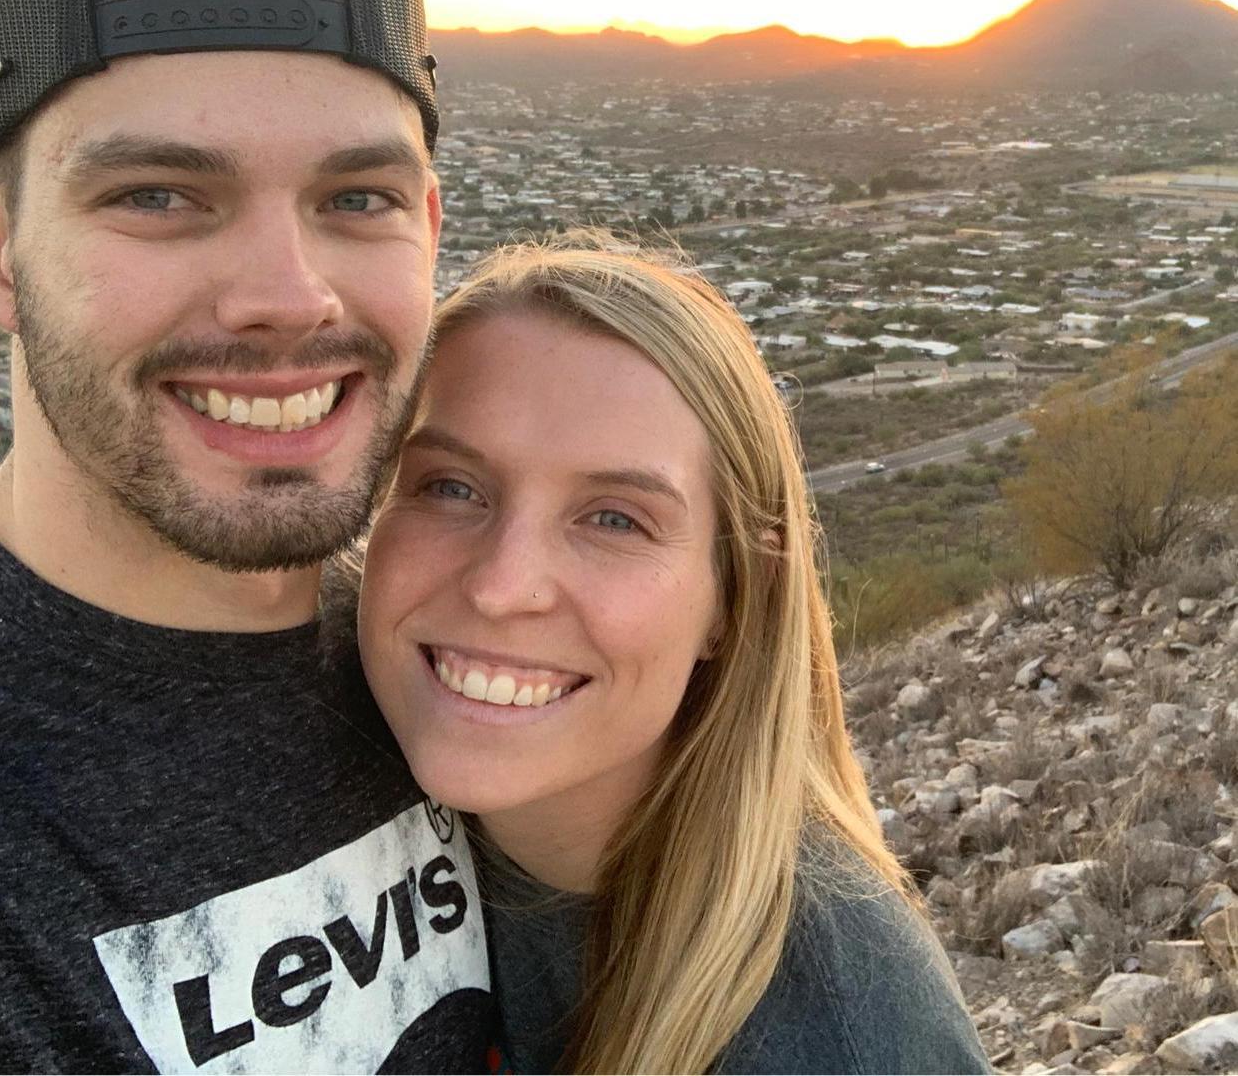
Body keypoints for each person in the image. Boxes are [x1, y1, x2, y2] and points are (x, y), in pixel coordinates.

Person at [0, 0, 493, 1073]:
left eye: (357, 198)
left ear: (429, 228)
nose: (288, 295)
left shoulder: (468, 665)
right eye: (157, 194)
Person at [357, 232, 992, 1074]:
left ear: (734, 598)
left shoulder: (837, 1035)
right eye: (449, 487)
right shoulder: (306, 756)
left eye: (614, 519)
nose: (502, 587)